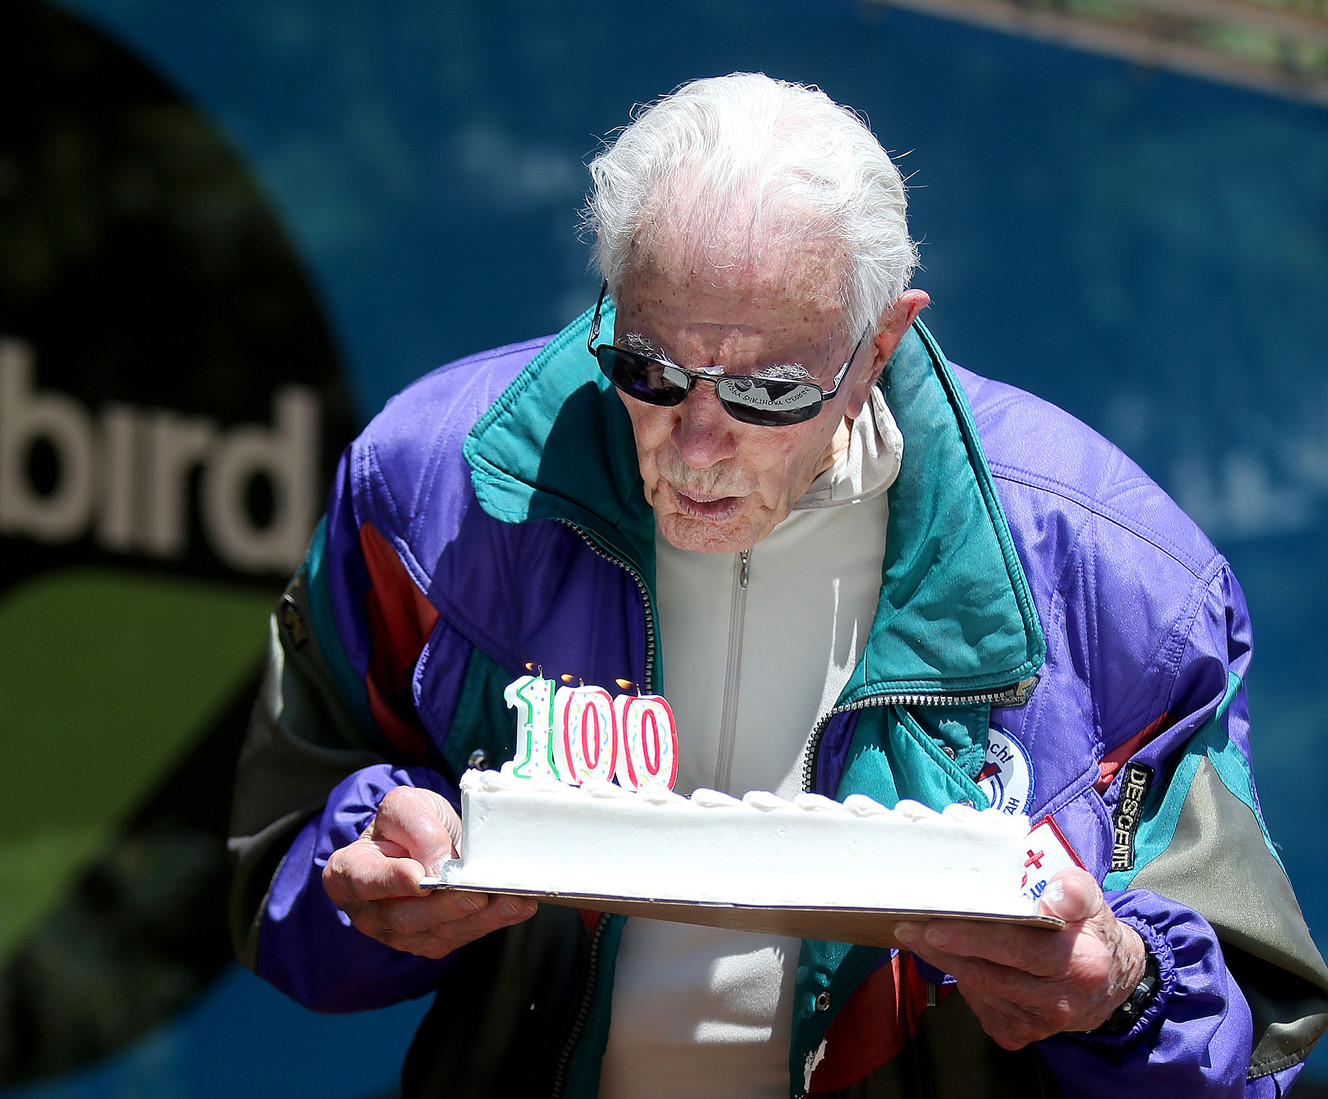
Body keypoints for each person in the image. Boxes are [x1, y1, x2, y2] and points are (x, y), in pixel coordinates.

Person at [228, 73, 1328, 1098]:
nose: (698, 445)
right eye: (649, 370)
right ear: (610, 301)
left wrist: (1122, 987)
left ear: (881, 340)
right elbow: (273, 863)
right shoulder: (437, 487)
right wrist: (361, 863)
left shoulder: (1112, 577)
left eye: (768, 390)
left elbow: (1257, 1026)